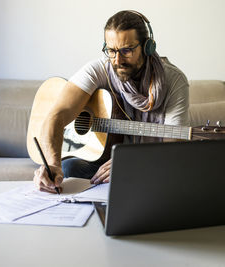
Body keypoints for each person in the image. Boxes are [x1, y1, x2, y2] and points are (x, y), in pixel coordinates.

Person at [34, 10, 189, 193]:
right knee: (69, 168)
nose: (117, 60)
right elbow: (57, 115)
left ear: (148, 47)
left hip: (148, 164)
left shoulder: (174, 81)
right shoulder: (100, 69)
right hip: (105, 162)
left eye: (126, 50)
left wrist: (131, 162)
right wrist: (53, 164)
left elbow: (171, 151)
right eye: (111, 50)